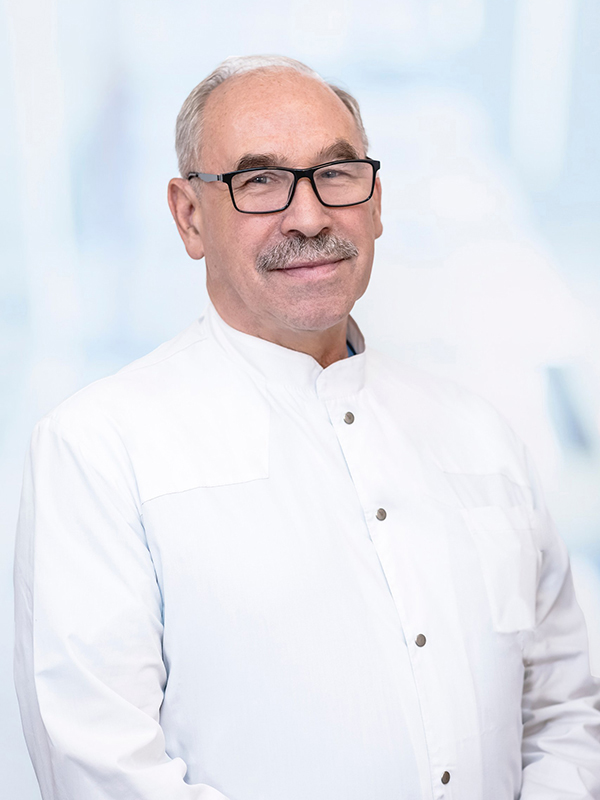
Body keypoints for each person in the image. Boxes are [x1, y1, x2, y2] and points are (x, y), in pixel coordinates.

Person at [14, 54, 600, 800]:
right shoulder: (98, 449)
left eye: (336, 173)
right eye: (260, 181)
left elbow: (563, 714)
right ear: (189, 216)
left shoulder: (482, 435)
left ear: (376, 202)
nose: (310, 216)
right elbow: (103, 769)